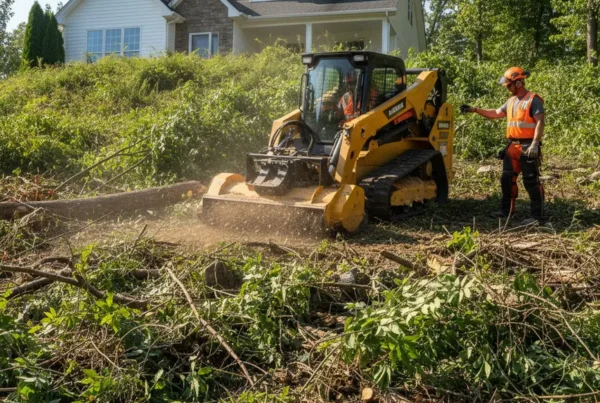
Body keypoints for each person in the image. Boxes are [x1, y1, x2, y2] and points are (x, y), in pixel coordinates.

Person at [461, 67, 546, 225]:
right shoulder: (511, 101)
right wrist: (475, 109)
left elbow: (540, 121)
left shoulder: (533, 100)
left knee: (531, 181)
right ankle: (506, 211)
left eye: (509, 85)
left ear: (518, 83)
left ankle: (537, 217)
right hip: (512, 146)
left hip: (528, 147)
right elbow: (495, 113)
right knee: (506, 180)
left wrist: (535, 143)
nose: (507, 88)